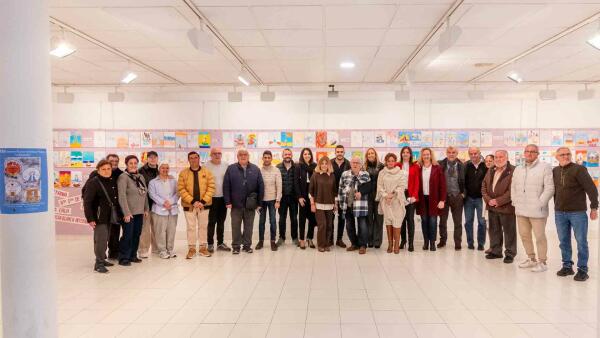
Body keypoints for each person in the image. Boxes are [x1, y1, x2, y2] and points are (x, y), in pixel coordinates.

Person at [553, 147, 599, 282]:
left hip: (577, 212)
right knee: (563, 241)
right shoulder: (555, 171)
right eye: (562, 154)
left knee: (581, 242)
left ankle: (583, 269)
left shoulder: (579, 169)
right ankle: (567, 266)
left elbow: (591, 189)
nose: (565, 156)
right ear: (557, 157)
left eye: (568, 154)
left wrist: (594, 207)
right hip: (560, 213)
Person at [510, 144, 555, 272]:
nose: (529, 154)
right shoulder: (518, 169)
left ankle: (542, 262)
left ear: (537, 154)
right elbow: (513, 187)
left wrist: (540, 203)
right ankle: (531, 259)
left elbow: (550, 188)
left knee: (539, 236)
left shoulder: (545, 167)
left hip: (537, 210)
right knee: (524, 235)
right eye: (527, 151)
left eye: (532, 152)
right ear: (524, 153)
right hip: (521, 209)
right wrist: (515, 201)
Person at [224, 148, 264, 254]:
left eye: (245, 154)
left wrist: (259, 203)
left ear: (248, 156)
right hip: (236, 204)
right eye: (240, 154)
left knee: (249, 226)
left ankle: (247, 246)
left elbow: (261, 187)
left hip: (250, 204)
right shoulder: (231, 169)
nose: (243, 156)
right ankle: (236, 246)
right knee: (235, 226)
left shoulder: (255, 169)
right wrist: (227, 201)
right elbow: (226, 186)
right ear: (237, 157)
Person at [83, 153, 122, 260]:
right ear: (99, 170)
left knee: (109, 236)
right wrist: (90, 217)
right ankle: (99, 261)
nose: (107, 171)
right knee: (100, 238)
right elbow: (87, 200)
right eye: (104, 169)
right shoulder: (94, 180)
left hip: (111, 214)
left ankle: (107, 257)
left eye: (109, 168)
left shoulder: (115, 178)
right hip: (100, 216)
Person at [178, 151, 215, 259]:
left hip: (204, 205)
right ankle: (192, 249)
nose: (194, 160)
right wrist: (193, 201)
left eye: (195, 157)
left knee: (203, 226)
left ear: (199, 159)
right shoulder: (183, 173)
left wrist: (202, 202)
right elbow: (181, 189)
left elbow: (211, 187)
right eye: (191, 158)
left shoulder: (207, 172)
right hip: (189, 205)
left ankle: (203, 248)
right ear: (188, 160)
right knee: (191, 227)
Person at [482, 150, 516, 264]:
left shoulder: (513, 170)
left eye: (501, 157)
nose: (498, 159)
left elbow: (512, 191)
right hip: (492, 206)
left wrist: (498, 201)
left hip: (506, 207)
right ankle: (496, 251)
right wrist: (488, 200)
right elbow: (484, 186)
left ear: (507, 157)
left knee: (509, 231)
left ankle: (510, 253)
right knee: (494, 230)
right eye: (496, 157)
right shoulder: (491, 169)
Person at [117, 155, 149, 266]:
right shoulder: (123, 177)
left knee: (137, 234)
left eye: (135, 163)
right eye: (131, 163)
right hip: (129, 213)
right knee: (128, 235)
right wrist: (126, 212)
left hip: (139, 212)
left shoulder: (140, 177)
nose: (133, 165)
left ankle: (133, 255)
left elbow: (144, 193)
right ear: (126, 164)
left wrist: (146, 209)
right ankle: (123, 257)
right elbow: (122, 196)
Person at [338, 156, 372, 254]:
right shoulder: (345, 174)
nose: (355, 164)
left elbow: (369, 187)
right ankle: (354, 244)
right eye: (353, 162)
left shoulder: (365, 174)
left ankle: (362, 245)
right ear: (350, 164)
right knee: (349, 226)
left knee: (362, 226)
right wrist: (340, 204)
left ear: (361, 164)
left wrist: (361, 192)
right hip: (347, 204)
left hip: (360, 205)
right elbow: (340, 189)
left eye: (357, 162)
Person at [416, 148, 446, 251]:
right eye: (424, 155)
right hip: (422, 199)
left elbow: (443, 185)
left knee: (433, 221)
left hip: (434, 198)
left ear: (431, 155)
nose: (426, 156)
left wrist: (442, 200)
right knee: (424, 221)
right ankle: (426, 242)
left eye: (428, 154)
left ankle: (432, 243)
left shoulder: (437, 168)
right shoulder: (419, 168)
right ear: (422, 156)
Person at [377, 153, 408, 254]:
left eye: (392, 161)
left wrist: (393, 194)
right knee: (388, 221)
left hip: (397, 201)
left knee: (397, 222)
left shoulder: (401, 173)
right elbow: (379, 186)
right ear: (386, 162)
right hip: (386, 201)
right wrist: (386, 195)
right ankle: (390, 244)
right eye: (388, 161)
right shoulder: (382, 173)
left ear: (395, 161)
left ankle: (396, 245)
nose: (390, 162)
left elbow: (402, 185)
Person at [148, 163, 179, 259]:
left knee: (171, 231)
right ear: (159, 169)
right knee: (160, 231)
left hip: (172, 209)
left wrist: (170, 202)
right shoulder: (153, 182)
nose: (165, 169)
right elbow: (152, 195)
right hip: (159, 210)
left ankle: (170, 249)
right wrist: (164, 203)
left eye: (167, 168)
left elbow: (177, 193)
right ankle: (162, 250)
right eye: (163, 168)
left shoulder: (174, 181)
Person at [204, 147, 231, 253]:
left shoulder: (226, 165)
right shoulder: (206, 166)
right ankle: (210, 244)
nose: (217, 155)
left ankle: (220, 243)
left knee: (221, 222)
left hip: (223, 198)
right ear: (211, 155)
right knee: (211, 222)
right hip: (211, 198)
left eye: (219, 153)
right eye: (215, 153)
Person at [438, 146, 465, 250]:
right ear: (446, 153)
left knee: (457, 222)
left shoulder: (462, 165)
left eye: (453, 152)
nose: (451, 154)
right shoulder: (440, 164)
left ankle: (458, 243)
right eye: (449, 152)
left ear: (457, 153)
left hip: (457, 197)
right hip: (444, 198)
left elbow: (465, 181)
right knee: (442, 221)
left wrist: (463, 194)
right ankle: (442, 241)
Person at [309, 156, 337, 252]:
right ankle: (320, 245)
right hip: (318, 204)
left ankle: (326, 244)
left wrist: (335, 204)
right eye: (322, 163)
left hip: (330, 204)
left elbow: (334, 192)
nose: (324, 165)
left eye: (326, 163)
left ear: (329, 165)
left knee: (329, 225)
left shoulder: (332, 176)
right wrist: (312, 204)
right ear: (319, 164)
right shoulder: (315, 175)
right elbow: (311, 191)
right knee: (322, 225)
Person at [464, 147, 489, 251]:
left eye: (475, 153)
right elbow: (462, 180)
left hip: (481, 199)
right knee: (468, 221)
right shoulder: (466, 165)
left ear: (480, 153)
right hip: (468, 199)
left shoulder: (485, 166)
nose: (473, 155)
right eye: (471, 154)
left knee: (482, 222)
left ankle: (481, 243)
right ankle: (470, 243)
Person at [395, 146, 420, 252]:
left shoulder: (415, 166)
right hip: (400, 194)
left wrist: (414, 196)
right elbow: (394, 180)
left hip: (410, 194)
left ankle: (411, 243)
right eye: (403, 152)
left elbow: (417, 182)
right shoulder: (397, 165)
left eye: (407, 152)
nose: (405, 154)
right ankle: (403, 241)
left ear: (410, 154)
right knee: (401, 219)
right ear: (401, 154)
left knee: (410, 219)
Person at [257, 150, 282, 251]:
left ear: (271, 159)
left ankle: (272, 241)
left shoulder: (276, 170)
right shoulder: (258, 170)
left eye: (269, 157)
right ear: (262, 158)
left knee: (273, 221)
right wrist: (257, 203)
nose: (267, 159)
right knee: (261, 222)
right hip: (261, 201)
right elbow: (256, 187)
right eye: (265, 157)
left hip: (272, 200)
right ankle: (261, 241)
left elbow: (279, 186)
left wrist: (278, 200)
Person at [138, 150, 159, 258]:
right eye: (150, 157)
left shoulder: (159, 170)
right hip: (145, 204)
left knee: (156, 228)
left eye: (155, 157)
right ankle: (143, 249)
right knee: (145, 229)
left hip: (157, 205)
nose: (153, 159)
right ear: (147, 159)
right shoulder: (140, 171)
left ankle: (156, 248)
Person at [295, 148, 317, 249]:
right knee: (302, 219)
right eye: (305, 154)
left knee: (312, 218)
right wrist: (299, 197)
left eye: (308, 154)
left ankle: (310, 238)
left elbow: (317, 182)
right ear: (302, 155)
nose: (307, 155)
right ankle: (302, 239)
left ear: (311, 155)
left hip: (312, 196)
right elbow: (296, 183)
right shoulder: (298, 166)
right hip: (303, 196)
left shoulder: (315, 166)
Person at [276, 148, 299, 246]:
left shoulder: (296, 167)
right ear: (282, 156)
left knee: (294, 218)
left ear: (292, 155)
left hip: (294, 197)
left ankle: (295, 238)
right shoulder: (278, 167)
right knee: (282, 218)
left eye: (289, 154)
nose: (287, 156)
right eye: (285, 154)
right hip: (282, 198)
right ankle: (282, 237)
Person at [364, 148, 384, 248]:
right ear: (367, 156)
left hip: (379, 196)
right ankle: (369, 240)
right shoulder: (364, 167)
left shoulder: (381, 166)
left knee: (378, 219)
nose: (371, 155)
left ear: (375, 154)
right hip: (367, 196)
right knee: (369, 219)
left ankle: (377, 241)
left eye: (372, 153)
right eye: (369, 154)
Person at [331, 145, 350, 248]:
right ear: (335, 152)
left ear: (344, 152)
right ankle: (330, 239)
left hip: (344, 195)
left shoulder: (348, 163)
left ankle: (339, 239)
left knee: (342, 218)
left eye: (341, 151)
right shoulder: (329, 162)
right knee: (331, 217)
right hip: (331, 194)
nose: (339, 153)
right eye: (337, 151)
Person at [483, 154, 495, 254]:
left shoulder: (496, 172)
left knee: (494, 226)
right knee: (488, 225)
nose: (488, 162)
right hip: (486, 202)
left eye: (490, 160)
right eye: (486, 161)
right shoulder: (487, 172)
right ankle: (492, 246)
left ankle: (495, 247)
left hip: (494, 203)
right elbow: (484, 189)